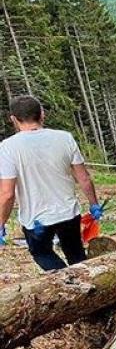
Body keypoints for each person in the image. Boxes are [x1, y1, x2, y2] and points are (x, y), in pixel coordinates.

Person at [0, 95, 103, 271]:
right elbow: (84, 178)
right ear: (42, 114)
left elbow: (7, 193)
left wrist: (1, 223)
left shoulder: (8, 147)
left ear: (13, 119)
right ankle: (84, 283)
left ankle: (67, 282)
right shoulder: (65, 138)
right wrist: (94, 205)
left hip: (36, 220)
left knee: (42, 254)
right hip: (68, 213)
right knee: (76, 254)